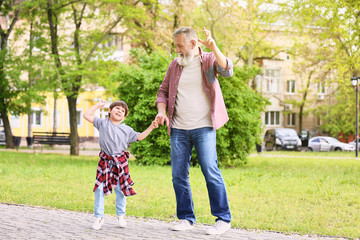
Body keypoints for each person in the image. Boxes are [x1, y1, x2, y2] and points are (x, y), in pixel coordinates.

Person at [155, 26, 233, 235]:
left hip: (204, 126)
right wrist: (161, 111)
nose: (177, 49)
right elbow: (162, 92)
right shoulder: (175, 65)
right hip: (179, 128)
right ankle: (186, 218)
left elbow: (227, 70)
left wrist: (214, 46)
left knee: (210, 170)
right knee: (178, 175)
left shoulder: (207, 61)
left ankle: (223, 219)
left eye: (180, 45)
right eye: (176, 46)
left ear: (193, 43)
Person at [83, 99, 158, 230]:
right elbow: (87, 115)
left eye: (123, 111)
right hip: (105, 162)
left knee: (120, 190)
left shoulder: (126, 129)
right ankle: (99, 217)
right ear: (110, 110)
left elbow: (139, 137)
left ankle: (121, 215)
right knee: (99, 188)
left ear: (124, 116)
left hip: (120, 163)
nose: (120, 111)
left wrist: (151, 127)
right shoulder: (102, 123)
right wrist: (98, 105)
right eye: (117, 108)